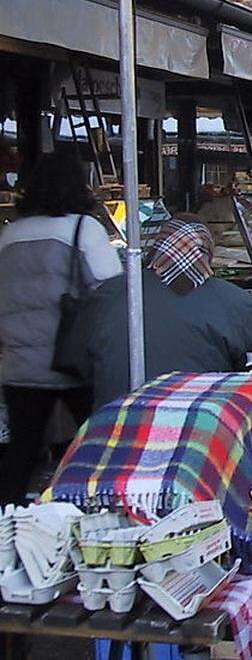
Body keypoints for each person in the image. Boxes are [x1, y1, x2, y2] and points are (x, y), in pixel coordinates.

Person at [0, 153, 122, 504]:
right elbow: (112, 290)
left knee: (22, 450)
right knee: (95, 443)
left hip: (18, 365)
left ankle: (10, 527)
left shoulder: (10, 235)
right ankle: (91, 510)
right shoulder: (85, 229)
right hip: (71, 360)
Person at [63, 217, 252, 410]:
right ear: (207, 253)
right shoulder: (236, 302)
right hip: (200, 432)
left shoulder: (108, 294)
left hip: (113, 427)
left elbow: (78, 365)